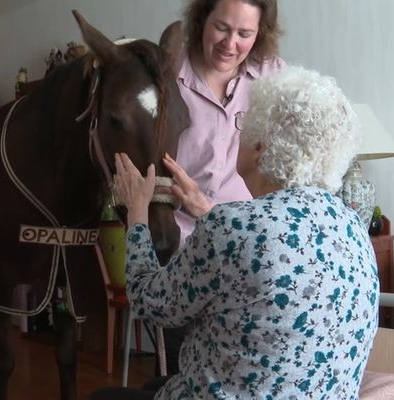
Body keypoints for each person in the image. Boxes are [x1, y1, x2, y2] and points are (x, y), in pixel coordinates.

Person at [90, 66, 379, 399]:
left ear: (260, 145)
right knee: (155, 385)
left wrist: (136, 212)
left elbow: (148, 301)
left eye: (243, 124)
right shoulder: (353, 227)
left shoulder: (234, 226)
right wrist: (205, 209)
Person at [163, 0, 286, 377]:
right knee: (189, 368)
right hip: (183, 247)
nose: (230, 43)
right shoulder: (170, 74)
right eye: (222, 28)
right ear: (201, 20)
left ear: (259, 35)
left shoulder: (273, 76)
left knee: (241, 366)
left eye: (244, 34)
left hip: (249, 250)